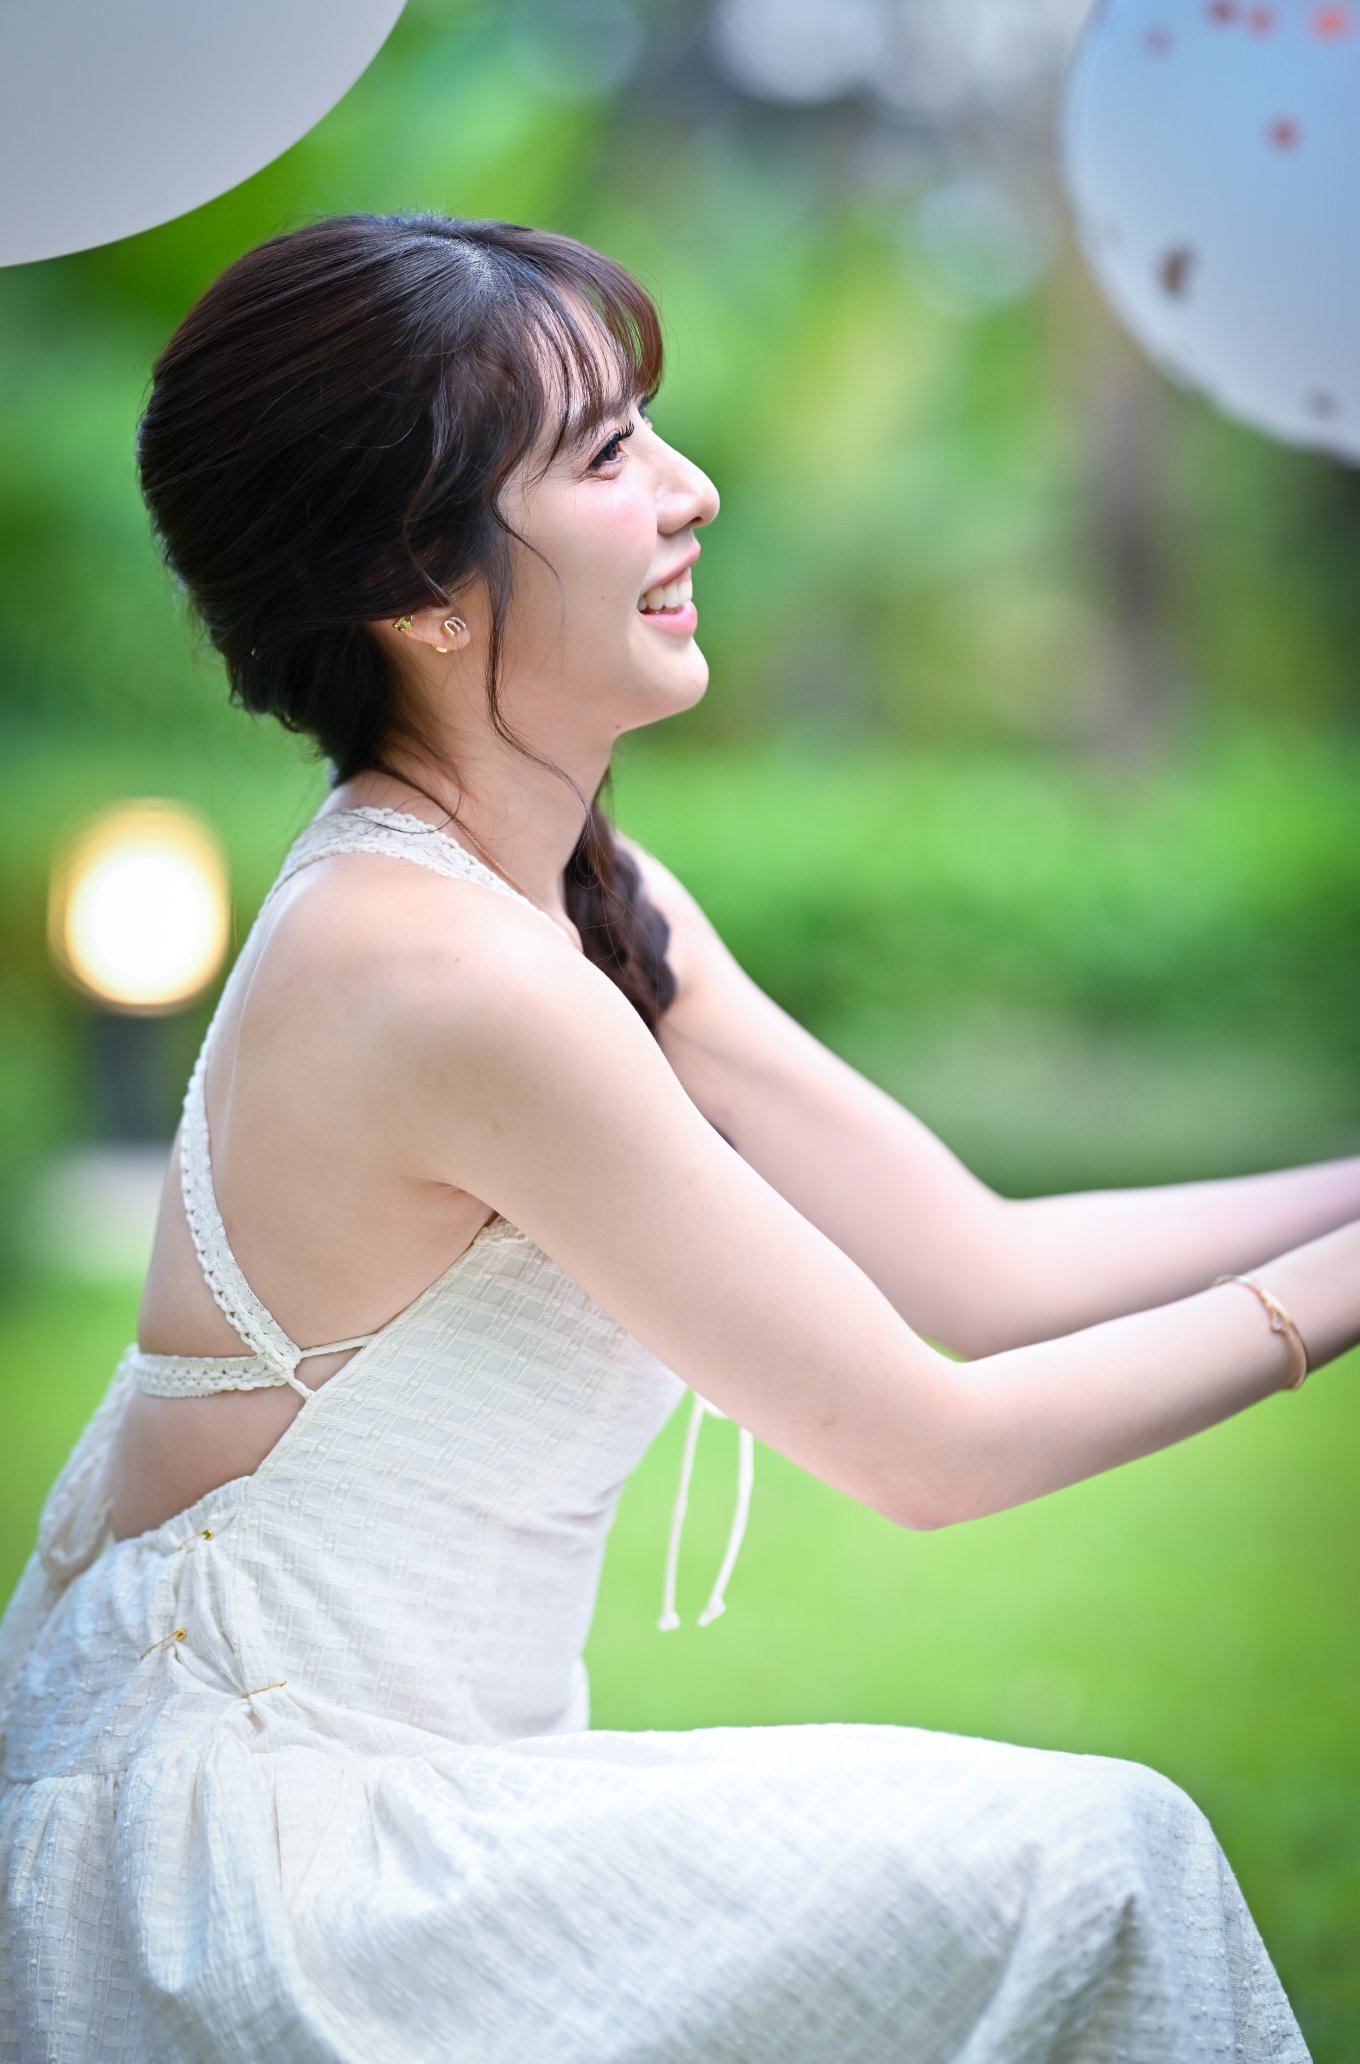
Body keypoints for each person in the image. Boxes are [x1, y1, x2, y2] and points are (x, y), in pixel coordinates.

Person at [0, 210, 1355, 2064]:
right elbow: (931, 1449)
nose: (694, 490)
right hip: (265, 1885)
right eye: (607, 454)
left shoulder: (582, 900)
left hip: (424, 1814)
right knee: (1096, 1864)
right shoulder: (436, 972)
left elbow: (986, 1264)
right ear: (419, 581)